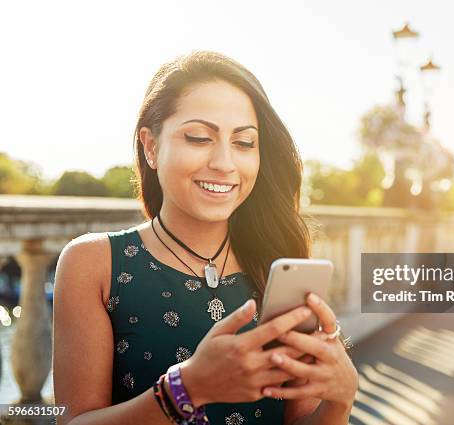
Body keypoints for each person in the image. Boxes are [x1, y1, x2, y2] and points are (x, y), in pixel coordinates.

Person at [52, 51, 358, 425]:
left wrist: (339, 401)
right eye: (199, 137)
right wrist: (188, 389)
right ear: (150, 146)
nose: (225, 163)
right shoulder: (95, 263)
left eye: (244, 143)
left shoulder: (279, 264)